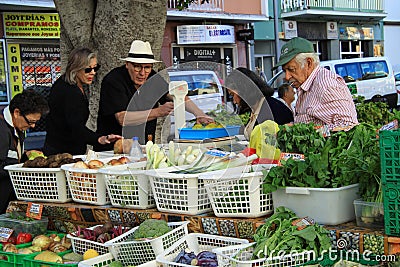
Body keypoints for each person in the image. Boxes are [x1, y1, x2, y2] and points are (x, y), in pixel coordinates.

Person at [97, 40, 213, 146]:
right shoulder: (113, 81)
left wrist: (199, 114)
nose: (142, 73)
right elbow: (123, 119)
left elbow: (175, 95)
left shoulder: (152, 77)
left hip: (144, 145)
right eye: (137, 67)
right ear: (127, 64)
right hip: (113, 147)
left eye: (147, 67)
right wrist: (158, 112)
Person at [43, 47, 121, 156]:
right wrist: (100, 139)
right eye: (88, 69)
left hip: (66, 148)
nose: (93, 73)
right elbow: (75, 128)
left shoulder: (71, 84)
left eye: (95, 68)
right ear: (76, 68)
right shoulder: (70, 91)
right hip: (63, 152)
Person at [273, 37, 358, 128]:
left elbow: (348, 126)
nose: (287, 77)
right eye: (284, 71)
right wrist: (293, 127)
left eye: (291, 69)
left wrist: (309, 132)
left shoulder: (326, 85)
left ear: (309, 63)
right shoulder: (305, 85)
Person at [0, 89, 49, 213]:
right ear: (17, 113)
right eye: (31, 122)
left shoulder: (16, 127)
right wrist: (22, 167)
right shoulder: (2, 130)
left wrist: (25, 155)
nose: (32, 126)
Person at [225, 67, 294, 139]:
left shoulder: (273, 109)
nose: (234, 101)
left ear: (243, 91)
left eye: (233, 95)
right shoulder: (255, 108)